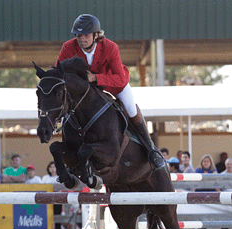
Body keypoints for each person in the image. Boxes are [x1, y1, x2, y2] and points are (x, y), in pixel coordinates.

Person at [57, 14, 165, 170]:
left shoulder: (110, 47)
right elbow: (58, 70)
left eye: (86, 35)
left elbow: (121, 78)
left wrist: (95, 77)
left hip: (113, 84)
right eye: (78, 35)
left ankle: (151, 149)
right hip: (87, 91)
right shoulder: (68, 47)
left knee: (131, 109)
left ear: (96, 35)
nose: (81, 39)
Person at [220, 158, 232, 229]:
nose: (229, 166)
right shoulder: (221, 175)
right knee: (224, 220)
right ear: (225, 165)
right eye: (228, 164)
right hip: (225, 201)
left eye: (231, 164)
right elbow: (216, 187)